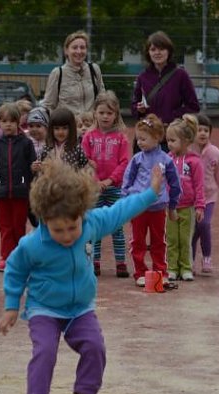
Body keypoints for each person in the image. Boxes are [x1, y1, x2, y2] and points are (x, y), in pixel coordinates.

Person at [0, 160, 165, 394]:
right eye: (57, 230)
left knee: (95, 347)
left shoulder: (91, 224)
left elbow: (120, 211)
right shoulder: (32, 244)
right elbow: (15, 270)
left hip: (80, 309)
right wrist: (12, 306)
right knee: (45, 352)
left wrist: (150, 193)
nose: (66, 236)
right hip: (44, 309)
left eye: (72, 228)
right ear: (43, 220)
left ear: (82, 216)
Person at [120, 114, 181, 286]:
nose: (139, 142)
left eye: (143, 139)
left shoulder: (166, 160)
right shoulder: (137, 159)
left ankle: (161, 271)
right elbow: (127, 180)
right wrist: (125, 201)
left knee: (158, 242)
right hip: (138, 207)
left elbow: (175, 184)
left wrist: (173, 205)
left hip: (158, 208)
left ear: (156, 138)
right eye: (138, 139)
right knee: (137, 241)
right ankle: (140, 271)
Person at [82, 91, 131, 278]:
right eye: (101, 112)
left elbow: (124, 162)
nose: (105, 116)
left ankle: (120, 262)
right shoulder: (88, 136)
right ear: (95, 112)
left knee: (117, 226)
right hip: (94, 189)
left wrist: (109, 180)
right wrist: (96, 181)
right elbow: (84, 160)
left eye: (109, 113)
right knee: (93, 226)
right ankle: (93, 262)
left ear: (116, 115)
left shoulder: (121, 137)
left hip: (114, 188)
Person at [0, 103, 36, 273]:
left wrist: (32, 191)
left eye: (12, 121)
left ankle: (19, 257)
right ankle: (6, 257)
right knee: (5, 227)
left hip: (21, 193)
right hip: (2, 193)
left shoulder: (26, 144)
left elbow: (32, 169)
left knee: (18, 226)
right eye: (4, 121)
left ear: (18, 123)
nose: (8, 124)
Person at [131, 30, 200, 151]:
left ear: (169, 51)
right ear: (148, 53)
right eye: (153, 49)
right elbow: (134, 106)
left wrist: (172, 117)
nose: (157, 53)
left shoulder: (180, 75)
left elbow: (193, 106)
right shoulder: (143, 77)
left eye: (161, 49)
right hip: (147, 136)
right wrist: (139, 109)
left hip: (170, 137)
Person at [191, 113, 219, 275]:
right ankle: (190, 260)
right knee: (193, 231)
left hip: (208, 197)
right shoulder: (188, 150)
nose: (202, 133)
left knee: (204, 224)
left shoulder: (214, 152)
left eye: (206, 131)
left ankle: (207, 257)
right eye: (199, 130)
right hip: (191, 199)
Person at [165, 115, 205, 281]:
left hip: (187, 207)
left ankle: (186, 267)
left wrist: (200, 206)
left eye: (173, 140)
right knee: (172, 239)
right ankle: (172, 268)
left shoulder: (194, 162)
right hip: (170, 208)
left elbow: (199, 186)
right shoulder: (167, 159)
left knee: (185, 240)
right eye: (168, 140)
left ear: (186, 140)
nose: (169, 144)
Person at [41, 30, 105, 116]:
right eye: (74, 48)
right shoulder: (58, 73)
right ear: (66, 51)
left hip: (91, 126)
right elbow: (49, 105)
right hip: (68, 126)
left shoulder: (94, 69)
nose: (79, 51)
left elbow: (103, 100)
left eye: (82, 47)